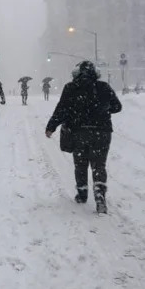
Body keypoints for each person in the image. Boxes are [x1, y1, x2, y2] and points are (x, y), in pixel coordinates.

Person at [44, 61, 121, 214]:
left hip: (79, 132)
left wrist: (51, 127)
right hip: (102, 132)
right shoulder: (104, 87)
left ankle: (82, 193)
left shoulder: (71, 88)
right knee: (99, 165)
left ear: (76, 73)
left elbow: (62, 110)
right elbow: (117, 107)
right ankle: (100, 195)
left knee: (80, 164)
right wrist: (102, 110)